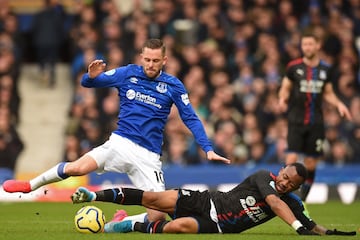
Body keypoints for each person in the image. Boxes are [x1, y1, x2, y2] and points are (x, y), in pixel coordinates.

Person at [3, 38, 230, 223]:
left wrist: (207, 148)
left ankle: (120, 222)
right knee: (77, 167)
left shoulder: (173, 86)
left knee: (158, 216)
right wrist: (90, 76)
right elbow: (88, 83)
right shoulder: (128, 73)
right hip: (120, 143)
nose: (150, 64)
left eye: (155, 60)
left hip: (148, 156)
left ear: (164, 60)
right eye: (147, 59)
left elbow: (190, 117)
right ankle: (30, 185)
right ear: (142, 57)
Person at [70, 163, 356, 236]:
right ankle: (95, 195)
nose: (283, 182)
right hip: (207, 202)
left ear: (295, 186)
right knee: (154, 199)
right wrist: (298, 229)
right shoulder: (262, 178)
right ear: (281, 170)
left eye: (290, 183)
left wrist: (329, 233)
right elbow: (275, 204)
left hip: (218, 227)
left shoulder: (292, 202)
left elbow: (311, 223)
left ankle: (127, 226)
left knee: (172, 229)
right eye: (284, 176)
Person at [278, 32, 352, 201]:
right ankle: (280, 196)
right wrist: (282, 99)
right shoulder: (293, 67)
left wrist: (339, 104)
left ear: (318, 46)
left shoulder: (326, 70)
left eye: (310, 44)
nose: (307, 48)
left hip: (316, 122)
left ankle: (302, 199)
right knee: (291, 158)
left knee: (311, 163)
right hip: (296, 121)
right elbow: (285, 87)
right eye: (304, 44)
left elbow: (328, 93)